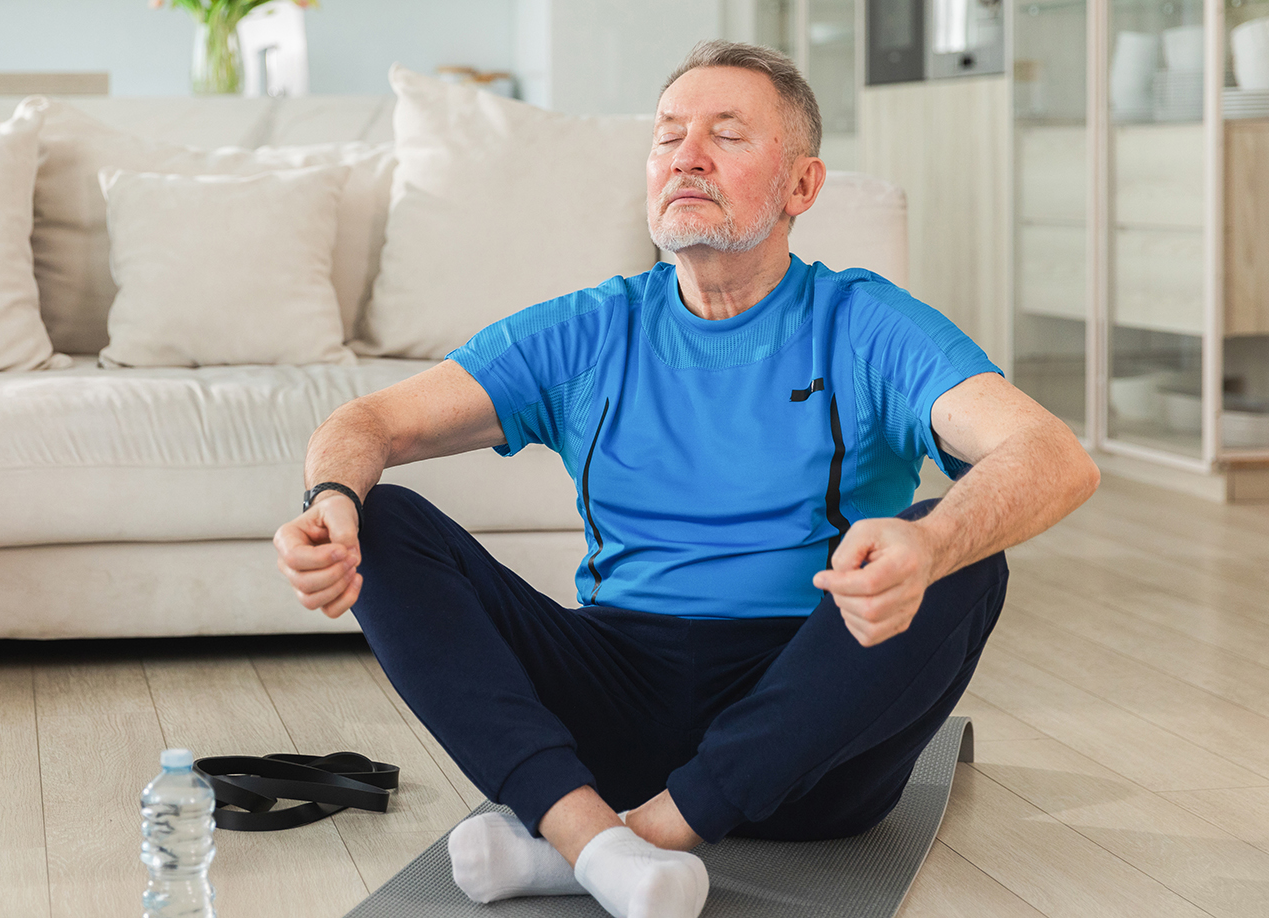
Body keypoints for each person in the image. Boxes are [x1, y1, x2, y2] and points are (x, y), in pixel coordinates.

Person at [274, 41, 1099, 918]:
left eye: (727, 135)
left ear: (801, 188)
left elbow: (1053, 456)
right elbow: (364, 424)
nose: (686, 156)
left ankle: (616, 844)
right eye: (667, 137)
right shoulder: (590, 330)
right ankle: (592, 835)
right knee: (386, 519)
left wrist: (928, 540)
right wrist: (330, 505)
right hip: (614, 697)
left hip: (810, 738)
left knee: (968, 553)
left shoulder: (866, 325)